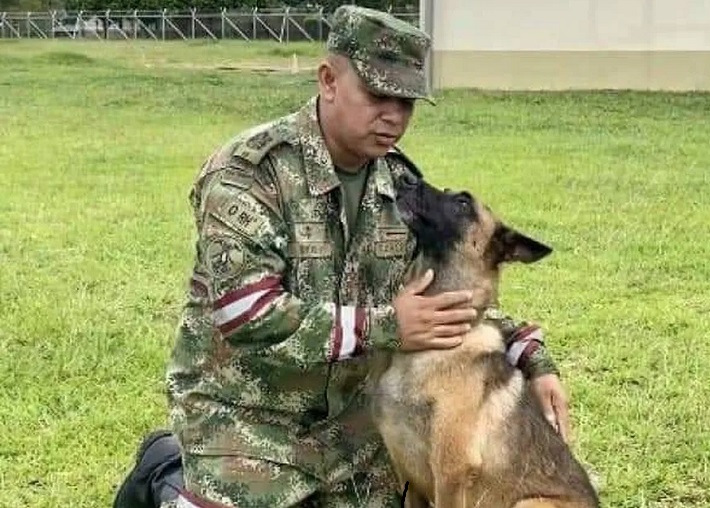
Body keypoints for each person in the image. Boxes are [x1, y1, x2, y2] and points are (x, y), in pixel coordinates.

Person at [113, 5, 572, 508]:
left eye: (406, 101)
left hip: (353, 429)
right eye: (377, 95)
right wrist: (386, 326)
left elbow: (439, 298)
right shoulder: (250, 174)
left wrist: (530, 355)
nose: (394, 115)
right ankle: (164, 471)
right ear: (329, 80)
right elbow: (248, 314)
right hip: (248, 418)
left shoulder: (400, 186)